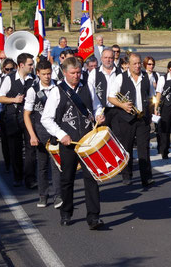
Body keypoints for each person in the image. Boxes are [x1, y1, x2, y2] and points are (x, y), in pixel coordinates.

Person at [41, 56, 106, 229]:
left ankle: (93, 217)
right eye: (73, 73)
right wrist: (61, 135)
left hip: (87, 140)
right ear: (64, 73)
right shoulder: (57, 91)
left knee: (91, 177)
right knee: (67, 179)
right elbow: (46, 119)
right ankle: (66, 212)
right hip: (68, 142)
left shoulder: (87, 86)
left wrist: (99, 114)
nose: (77, 76)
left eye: (79, 72)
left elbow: (97, 105)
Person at [108, 53, 154, 187]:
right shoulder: (120, 78)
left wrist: (151, 110)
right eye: (135, 63)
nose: (138, 66)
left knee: (143, 148)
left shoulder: (146, 78)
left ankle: (146, 177)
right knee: (126, 147)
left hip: (142, 118)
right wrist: (122, 105)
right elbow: (111, 97)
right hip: (126, 119)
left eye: (139, 63)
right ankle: (127, 176)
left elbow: (151, 96)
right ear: (128, 64)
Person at [23, 59, 62, 209]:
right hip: (40, 132)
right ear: (37, 73)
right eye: (44, 74)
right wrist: (32, 135)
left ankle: (58, 195)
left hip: (56, 131)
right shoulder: (33, 90)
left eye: (49, 74)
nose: (47, 77)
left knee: (57, 165)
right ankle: (43, 195)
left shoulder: (58, 87)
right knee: (42, 165)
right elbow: (27, 115)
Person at [0, 53, 35, 188]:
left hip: (29, 118)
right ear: (21, 65)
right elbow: (0, 98)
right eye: (30, 64)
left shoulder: (33, 79)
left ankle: (30, 179)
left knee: (31, 149)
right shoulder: (9, 79)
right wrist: (14, 100)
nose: (32, 66)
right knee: (15, 149)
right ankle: (18, 176)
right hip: (13, 118)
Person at [0, 58, 16, 166]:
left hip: (16, 113)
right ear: (3, 69)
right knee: (6, 142)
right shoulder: (0, 79)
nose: (10, 71)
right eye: (7, 69)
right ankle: (7, 162)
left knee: (15, 142)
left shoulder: (16, 78)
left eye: (12, 69)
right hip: (4, 112)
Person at [87, 48, 117, 123]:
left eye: (110, 58)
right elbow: (89, 92)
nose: (108, 60)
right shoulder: (94, 73)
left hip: (117, 110)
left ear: (113, 59)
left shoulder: (120, 72)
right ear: (101, 59)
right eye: (105, 58)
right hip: (100, 112)